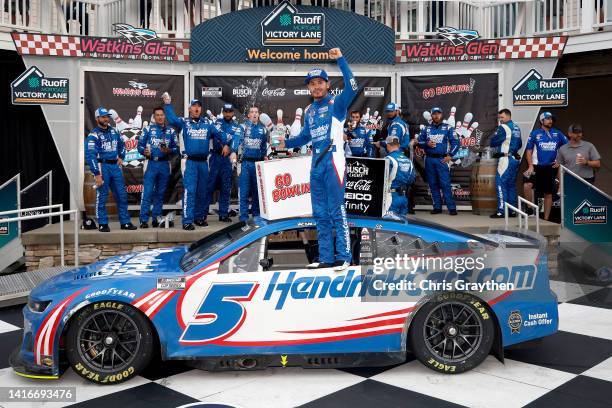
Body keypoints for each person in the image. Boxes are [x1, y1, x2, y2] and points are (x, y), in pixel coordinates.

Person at [278, 47, 356, 271]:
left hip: (333, 162)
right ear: (309, 87)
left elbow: (352, 86)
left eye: (320, 82)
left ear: (327, 84)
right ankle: (326, 258)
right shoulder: (310, 110)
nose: (316, 86)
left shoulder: (337, 105)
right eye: (312, 83)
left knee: (336, 210)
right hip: (316, 165)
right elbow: (304, 137)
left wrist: (340, 59)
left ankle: (343, 256)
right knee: (320, 214)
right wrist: (286, 144)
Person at [162, 93, 225, 230]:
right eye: (194, 106)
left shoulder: (208, 123)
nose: (196, 109)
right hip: (190, 162)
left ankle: (199, 218)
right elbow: (172, 119)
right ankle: (187, 220)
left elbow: (219, 135)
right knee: (190, 191)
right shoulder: (184, 122)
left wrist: (226, 144)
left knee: (202, 192)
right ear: (190, 109)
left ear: (201, 110)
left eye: (198, 106)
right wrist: (167, 104)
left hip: (204, 162)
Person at [85, 107, 137, 232]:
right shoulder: (93, 135)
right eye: (103, 117)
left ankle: (125, 222)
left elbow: (122, 145)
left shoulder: (114, 131)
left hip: (115, 167)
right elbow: (90, 155)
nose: (106, 119)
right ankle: (102, 223)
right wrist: (97, 174)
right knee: (102, 195)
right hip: (102, 167)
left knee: (122, 195)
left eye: (107, 116)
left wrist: (121, 156)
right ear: (97, 118)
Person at [137, 107, 178, 228]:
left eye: (162, 115)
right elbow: (140, 145)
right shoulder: (148, 129)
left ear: (164, 116)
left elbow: (176, 148)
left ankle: (156, 218)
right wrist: (144, 152)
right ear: (154, 117)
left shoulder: (170, 131)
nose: (160, 117)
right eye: (157, 115)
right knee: (148, 192)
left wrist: (168, 150)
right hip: (151, 164)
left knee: (160, 194)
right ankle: (143, 220)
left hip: (165, 164)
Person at [525, 112, 567, 221]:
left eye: (551, 119)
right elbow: (528, 151)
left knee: (547, 193)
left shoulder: (557, 133)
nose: (550, 121)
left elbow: (567, 147)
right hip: (536, 166)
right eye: (547, 119)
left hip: (550, 167)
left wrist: (560, 160)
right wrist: (530, 166)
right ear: (541, 121)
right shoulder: (534, 134)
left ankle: (545, 219)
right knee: (527, 185)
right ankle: (530, 210)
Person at [417, 107, 459, 215]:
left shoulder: (448, 128)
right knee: (433, 184)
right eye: (434, 114)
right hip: (429, 159)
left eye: (438, 114)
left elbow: (456, 142)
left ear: (441, 115)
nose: (436, 116)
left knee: (445, 184)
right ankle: (437, 207)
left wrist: (450, 155)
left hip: (442, 159)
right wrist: (427, 144)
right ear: (431, 115)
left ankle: (452, 208)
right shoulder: (426, 129)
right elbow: (419, 142)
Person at [230, 106, 268, 223]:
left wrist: (265, 156)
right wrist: (233, 151)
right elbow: (236, 140)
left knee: (257, 191)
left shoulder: (263, 129)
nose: (254, 114)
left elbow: (263, 146)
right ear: (248, 115)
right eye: (252, 112)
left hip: (258, 163)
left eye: (256, 112)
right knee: (244, 191)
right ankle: (243, 217)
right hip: (245, 163)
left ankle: (257, 215)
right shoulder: (243, 127)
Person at [205, 103, 239, 223]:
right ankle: (203, 213)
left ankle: (223, 214)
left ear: (233, 113)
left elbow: (236, 139)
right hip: (215, 157)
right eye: (226, 111)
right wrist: (223, 145)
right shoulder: (217, 122)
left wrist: (230, 148)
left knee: (226, 187)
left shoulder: (236, 126)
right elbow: (213, 134)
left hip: (227, 160)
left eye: (230, 111)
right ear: (223, 112)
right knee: (209, 186)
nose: (228, 114)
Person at [489, 109, 522, 218]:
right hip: (514, 159)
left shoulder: (503, 127)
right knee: (511, 185)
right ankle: (512, 211)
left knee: (500, 183)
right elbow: (520, 144)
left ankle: (501, 211)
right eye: (499, 118)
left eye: (502, 117)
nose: (500, 120)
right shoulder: (517, 127)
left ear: (508, 116)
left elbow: (493, 142)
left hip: (505, 159)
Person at [385, 134, 416, 218]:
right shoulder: (408, 161)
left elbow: (382, 179)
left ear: (387, 145)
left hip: (391, 197)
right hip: (403, 197)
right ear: (398, 145)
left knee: (389, 226)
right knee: (402, 226)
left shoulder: (388, 159)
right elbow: (411, 179)